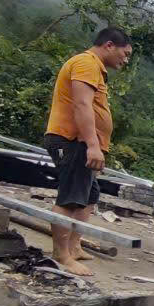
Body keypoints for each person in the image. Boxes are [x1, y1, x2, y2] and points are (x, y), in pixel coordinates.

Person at [42, 28, 133, 275]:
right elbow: (82, 104)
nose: (125, 60)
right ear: (109, 45)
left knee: (89, 195)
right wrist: (92, 145)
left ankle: (74, 246)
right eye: (124, 54)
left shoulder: (95, 68)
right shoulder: (86, 63)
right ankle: (61, 255)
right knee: (71, 198)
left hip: (83, 143)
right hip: (72, 141)